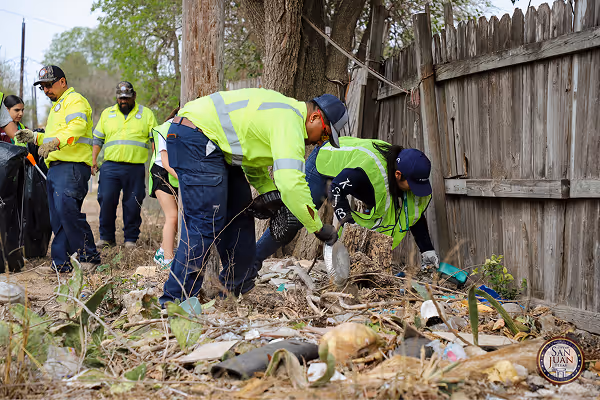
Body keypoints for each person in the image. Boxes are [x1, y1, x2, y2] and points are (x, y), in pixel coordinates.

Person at [159, 89, 348, 306]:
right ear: (314, 117)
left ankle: (230, 294)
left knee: (240, 220)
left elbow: (249, 158)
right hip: (195, 137)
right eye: (324, 134)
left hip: (217, 148)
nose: (319, 142)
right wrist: (317, 228)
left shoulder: (283, 115)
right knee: (204, 223)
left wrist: (270, 194)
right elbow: (291, 183)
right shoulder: (289, 122)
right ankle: (173, 302)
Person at [255, 137, 440, 270]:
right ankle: (252, 261)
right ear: (398, 175)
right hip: (325, 164)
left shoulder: (398, 174)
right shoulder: (369, 171)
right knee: (293, 218)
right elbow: (336, 189)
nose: (415, 191)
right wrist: (348, 224)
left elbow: (412, 214)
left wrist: (427, 251)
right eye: (413, 185)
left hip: (353, 176)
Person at [15, 65, 101, 273]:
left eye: (49, 85)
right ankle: (60, 263)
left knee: (67, 211)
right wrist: (34, 137)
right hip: (55, 166)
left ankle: (89, 256)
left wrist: (55, 143)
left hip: (71, 166)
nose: (46, 90)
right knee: (58, 218)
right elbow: (53, 137)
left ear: (62, 82)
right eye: (42, 87)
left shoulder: (75, 100)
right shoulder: (57, 108)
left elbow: (77, 127)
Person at [92, 82, 157, 248]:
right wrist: (93, 159)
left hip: (135, 167)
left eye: (127, 98)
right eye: (121, 98)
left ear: (134, 96)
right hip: (110, 167)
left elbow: (155, 140)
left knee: (133, 203)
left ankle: (130, 239)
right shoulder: (107, 114)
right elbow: (98, 139)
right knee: (106, 199)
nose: (123, 101)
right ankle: (106, 238)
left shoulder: (146, 114)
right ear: (116, 97)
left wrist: (156, 162)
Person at [148, 113, 179, 269]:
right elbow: (166, 162)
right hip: (161, 173)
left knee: (179, 218)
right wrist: (184, 179)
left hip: (176, 174)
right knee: (172, 216)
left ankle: (161, 251)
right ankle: (167, 259)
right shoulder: (165, 128)